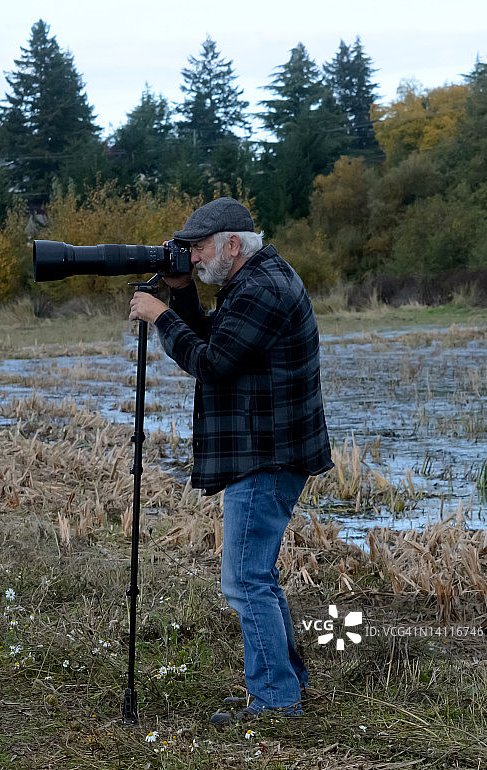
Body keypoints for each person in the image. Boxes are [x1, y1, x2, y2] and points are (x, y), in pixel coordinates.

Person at [129, 197, 333, 724]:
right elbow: (219, 338)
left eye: (199, 248)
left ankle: (275, 702)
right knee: (257, 574)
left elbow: (213, 362)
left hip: (267, 456)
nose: (193, 257)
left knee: (245, 580)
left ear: (232, 244)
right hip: (268, 449)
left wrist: (161, 317)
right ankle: (284, 684)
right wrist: (181, 296)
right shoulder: (256, 279)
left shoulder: (262, 289)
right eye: (192, 250)